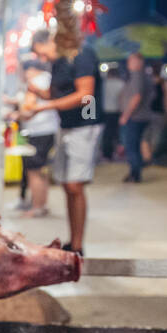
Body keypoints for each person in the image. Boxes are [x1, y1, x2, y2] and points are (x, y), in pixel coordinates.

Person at [23, 29, 102, 256]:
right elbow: (57, 93)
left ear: (51, 41)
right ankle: (73, 243)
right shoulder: (58, 63)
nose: (43, 59)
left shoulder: (82, 54)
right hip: (66, 125)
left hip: (86, 122)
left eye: (43, 53)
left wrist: (43, 107)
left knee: (75, 185)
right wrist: (37, 93)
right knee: (67, 185)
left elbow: (85, 95)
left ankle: (78, 245)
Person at [15, 58, 60, 217]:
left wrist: (17, 114)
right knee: (41, 170)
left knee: (33, 171)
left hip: (37, 131)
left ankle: (36, 207)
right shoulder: (49, 78)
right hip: (50, 129)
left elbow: (27, 109)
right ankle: (42, 204)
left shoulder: (34, 83)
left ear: (30, 69)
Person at [117, 50, 153, 183]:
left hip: (135, 117)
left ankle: (135, 174)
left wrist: (126, 115)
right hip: (140, 116)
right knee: (134, 145)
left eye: (131, 60)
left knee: (131, 145)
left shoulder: (137, 75)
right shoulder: (143, 76)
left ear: (139, 62)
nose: (128, 63)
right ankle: (135, 172)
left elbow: (136, 97)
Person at [141, 60, 167, 165]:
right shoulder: (164, 83)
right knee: (155, 137)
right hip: (158, 113)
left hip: (147, 113)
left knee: (145, 137)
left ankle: (147, 158)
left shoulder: (146, 81)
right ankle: (149, 158)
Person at [100, 62, 125, 161]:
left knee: (106, 134)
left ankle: (107, 154)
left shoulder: (103, 84)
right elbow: (123, 99)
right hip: (117, 111)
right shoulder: (121, 84)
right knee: (117, 133)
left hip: (104, 112)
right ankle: (117, 152)